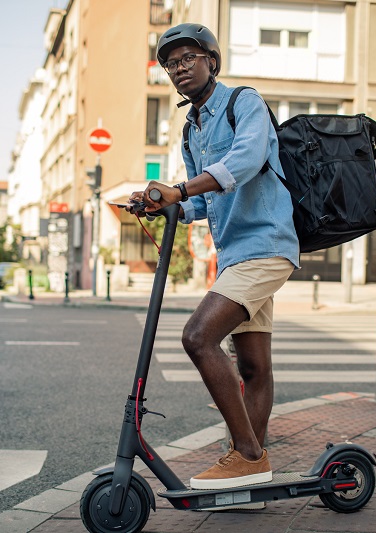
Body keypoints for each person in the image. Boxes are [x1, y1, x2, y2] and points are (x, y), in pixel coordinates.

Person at [128, 23, 300, 493]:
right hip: (235, 256)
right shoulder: (191, 130)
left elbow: (245, 160)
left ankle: (246, 454)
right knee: (253, 368)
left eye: (187, 58)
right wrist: (168, 204)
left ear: (211, 61)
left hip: (265, 246)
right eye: (170, 63)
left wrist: (180, 188)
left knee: (198, 337)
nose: (178, 69)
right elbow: (203, 202)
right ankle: (254, 470)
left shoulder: (243, 102)